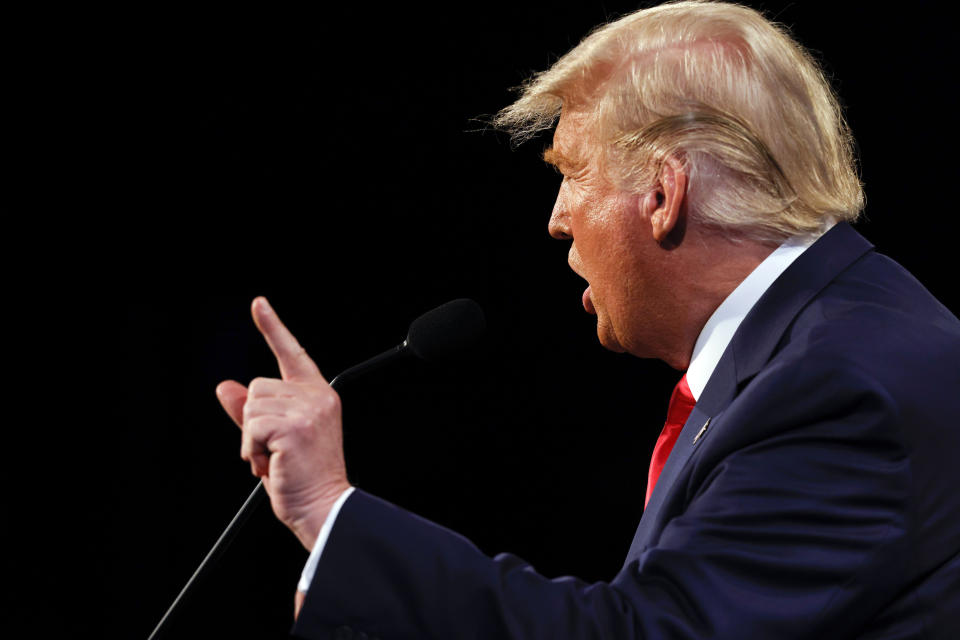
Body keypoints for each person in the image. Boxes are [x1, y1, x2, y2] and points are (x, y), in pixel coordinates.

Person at [216, 1, 960, 637]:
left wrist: (327, 509)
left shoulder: (838, 387)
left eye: (571, 171)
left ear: (664, 194)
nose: (556, 220)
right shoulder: (836, 333)